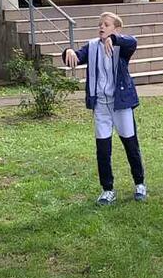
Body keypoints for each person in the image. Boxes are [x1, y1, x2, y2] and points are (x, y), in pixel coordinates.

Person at [63, 12, 147, 205]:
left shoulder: (123, 47)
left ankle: (140, 184)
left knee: (131, 145)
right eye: (100, 24)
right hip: (101, 105)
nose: (101, 27)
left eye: (106, 24)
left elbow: (132, 42)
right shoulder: (92, 46)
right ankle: (107, 190)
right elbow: (76, 57)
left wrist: (114, 39)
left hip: (121, 104)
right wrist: (68, 51)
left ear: (116, 29)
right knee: (103, 149)